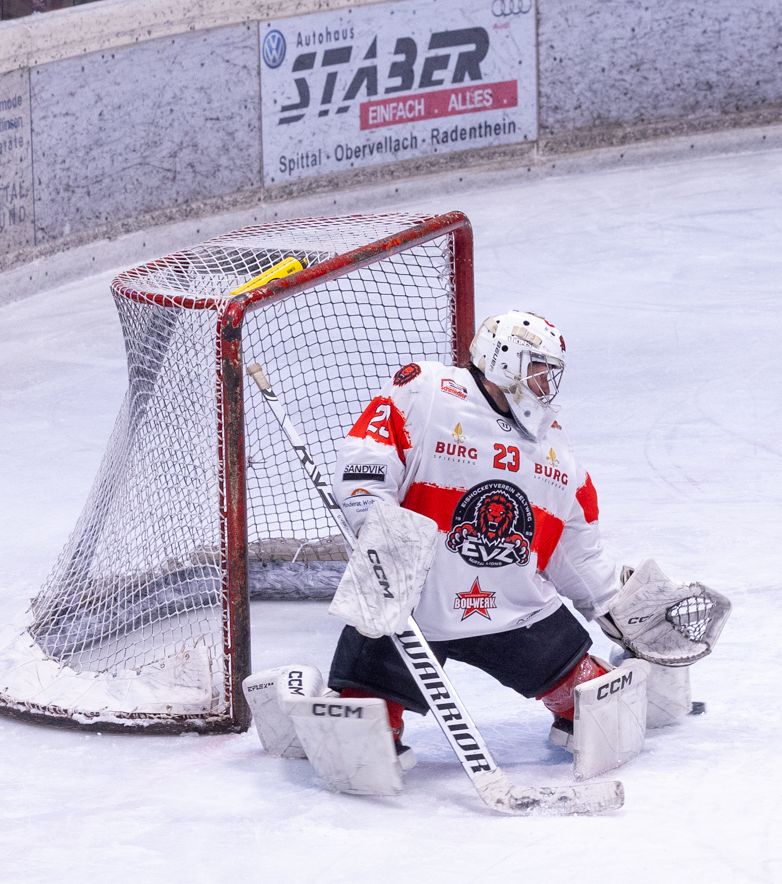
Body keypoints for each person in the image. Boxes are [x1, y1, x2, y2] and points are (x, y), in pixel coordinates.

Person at [286, 310, 725, 786]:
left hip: (511, 612)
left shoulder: (555, 448)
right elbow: (366, 462)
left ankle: (596, 693)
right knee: (358, 741)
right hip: (408, 603)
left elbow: (574, 552)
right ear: (503, 359)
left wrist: (615, 604)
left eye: (551, 373)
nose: (546, 384)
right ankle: (316, 701)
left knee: (607, 710)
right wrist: (379, 532)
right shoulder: (427, 391)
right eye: (538, 368)